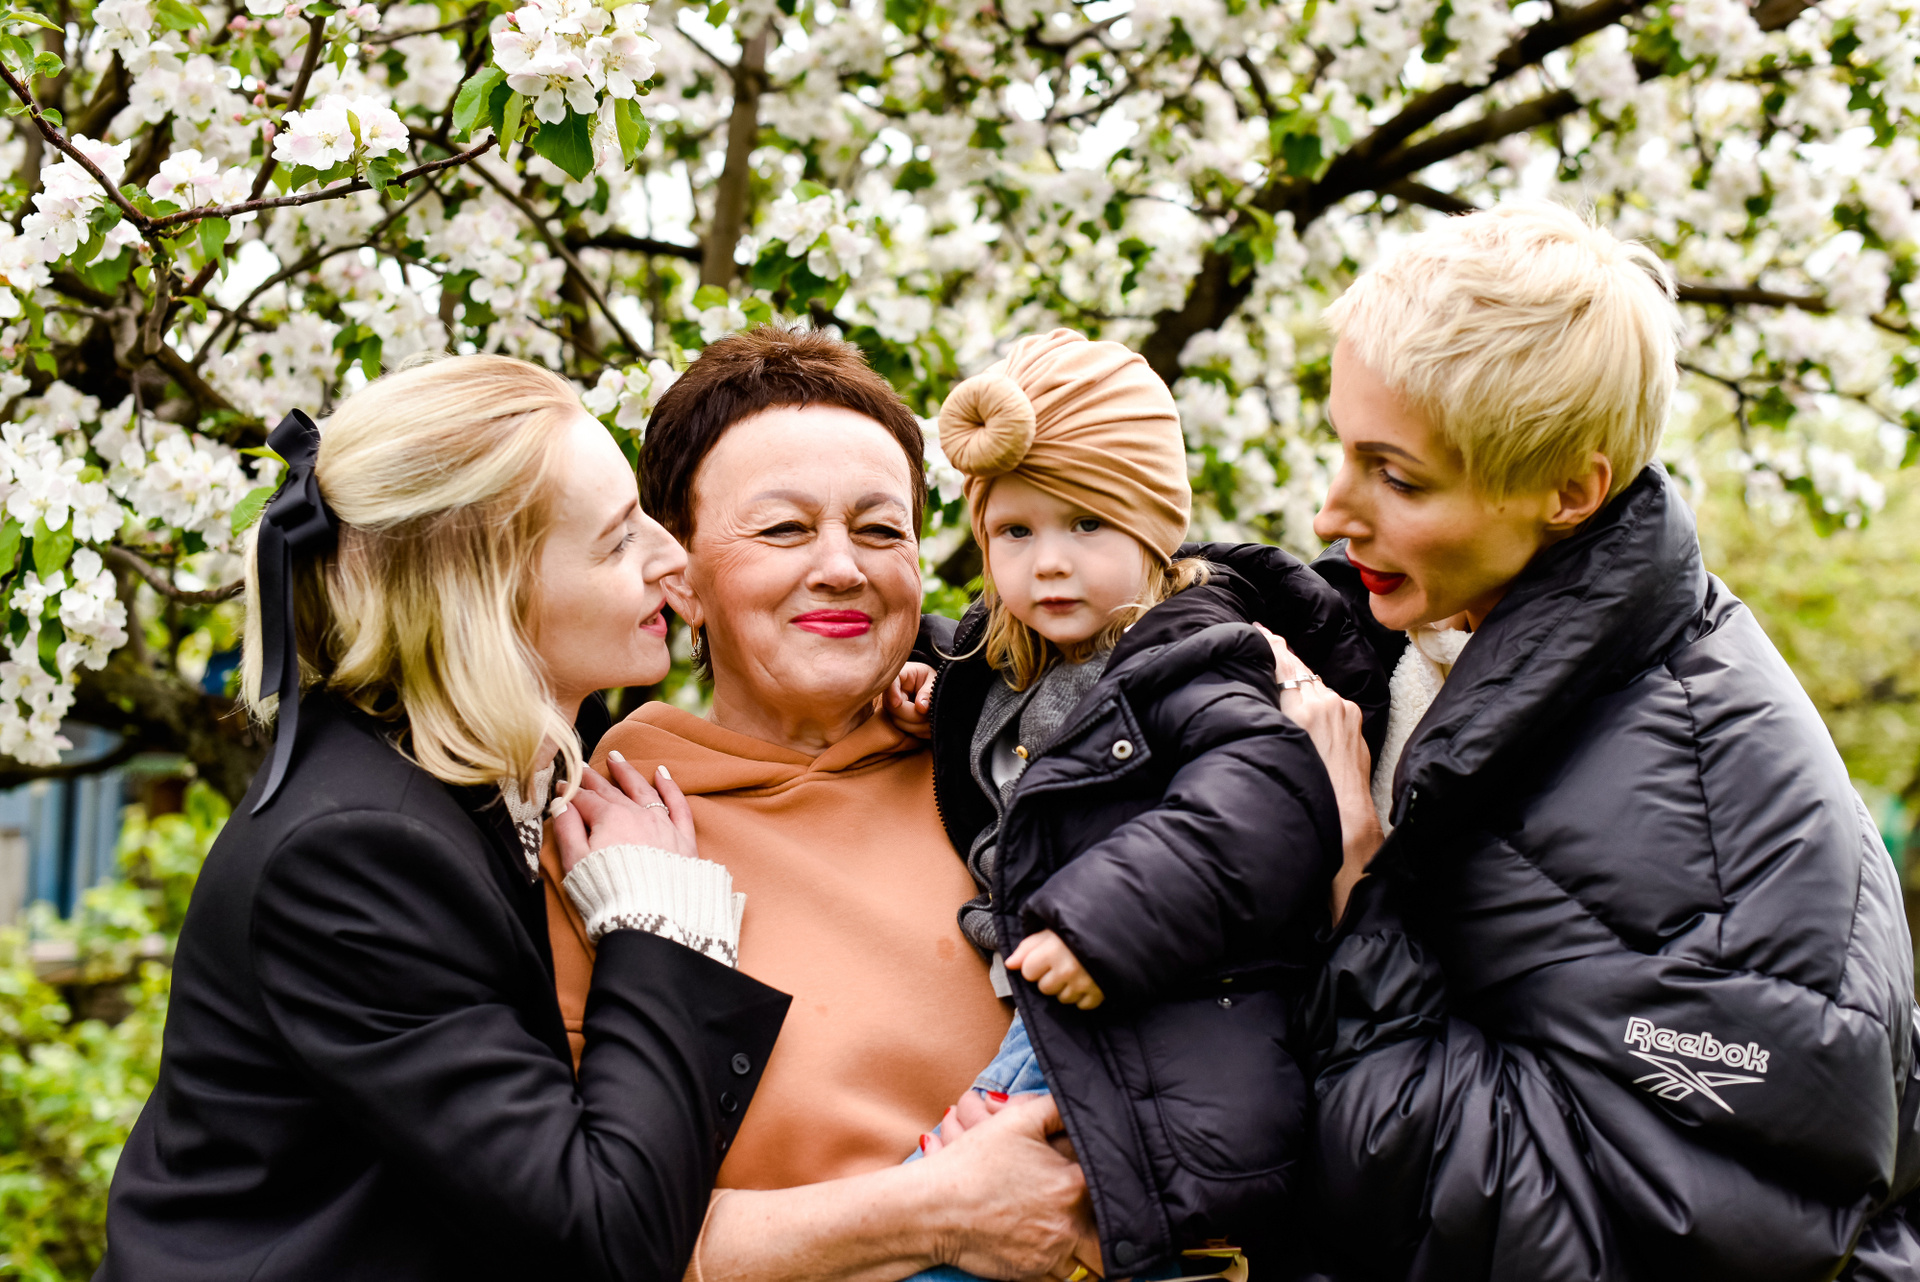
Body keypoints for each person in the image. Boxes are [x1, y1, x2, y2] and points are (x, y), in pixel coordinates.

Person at [1290, 204, 1920, 1280]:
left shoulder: (1708, 786)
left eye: (1398, 477)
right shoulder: (1432, 636)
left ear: (1570, 493)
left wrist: (1356, 905)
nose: (1330, 511)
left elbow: (1652, 1234)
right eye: (1341, 449)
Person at [95, 355, 792, 1281]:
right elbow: (607, 1240)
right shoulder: (356, 854)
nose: (673, 558)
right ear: (487, 595)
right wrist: (654, 925)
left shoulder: (482, 768)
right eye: (619, 541)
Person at [542, 327, 1099, 1282]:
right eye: (784, 530)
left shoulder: (1016, 768)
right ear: (679, 575)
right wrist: (933, 1214)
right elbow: (577, 1235)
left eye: (881, 530)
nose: (843, 566)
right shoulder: (600, 837)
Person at [886, 329, 1386, 1280]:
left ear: (1154, 528)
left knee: (935, 1234)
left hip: (1138, 1008)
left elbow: (1258, 800)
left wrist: (1103, 922)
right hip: (1059, 1013)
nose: (1050, 563)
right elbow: (994, 689)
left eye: (1086, 525)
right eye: (1016, 532)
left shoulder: (1198, 660)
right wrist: (927, 685)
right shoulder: (1014, 655)